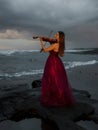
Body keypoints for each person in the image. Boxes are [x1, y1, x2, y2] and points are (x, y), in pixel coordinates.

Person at [36, 31, 76, 107]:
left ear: (59, 37)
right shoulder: (60, 44)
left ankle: (54, 95)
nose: (55, 35)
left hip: (52, 62)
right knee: (58, 78)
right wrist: (45, 39)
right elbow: (51, 41)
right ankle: (58, 93)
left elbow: (45, 50)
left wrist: (41, 41)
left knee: (51, 78)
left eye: (57, 34)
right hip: (57, 61)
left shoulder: (55, 45)